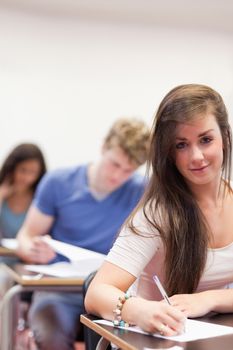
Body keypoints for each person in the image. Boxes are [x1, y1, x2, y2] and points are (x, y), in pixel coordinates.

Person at [85, 84, 233, 338]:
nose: (196, 156)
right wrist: (140, 310)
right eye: (181, 145)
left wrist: (211, 299)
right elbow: (97, 292)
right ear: (169, 153)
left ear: (225, 139)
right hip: (157, 341)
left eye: (206, 140)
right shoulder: (156, 215)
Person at [16, 117, 150, 350]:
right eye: (114, 164)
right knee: (51, 333)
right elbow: (25, 237)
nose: (118, 176)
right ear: (103, 147)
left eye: (128, 171)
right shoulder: (58, 183)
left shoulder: (141, 190)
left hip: (113, 292)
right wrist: (33, 251)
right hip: (59, 290)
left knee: (137, 337)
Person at [0, 143, 47, 296]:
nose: (27, 178)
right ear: (12, 168)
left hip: (28, 263)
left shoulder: (40, 200)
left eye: (33, 172)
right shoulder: (3, 193)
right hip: (3, 262)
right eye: (23, 170)